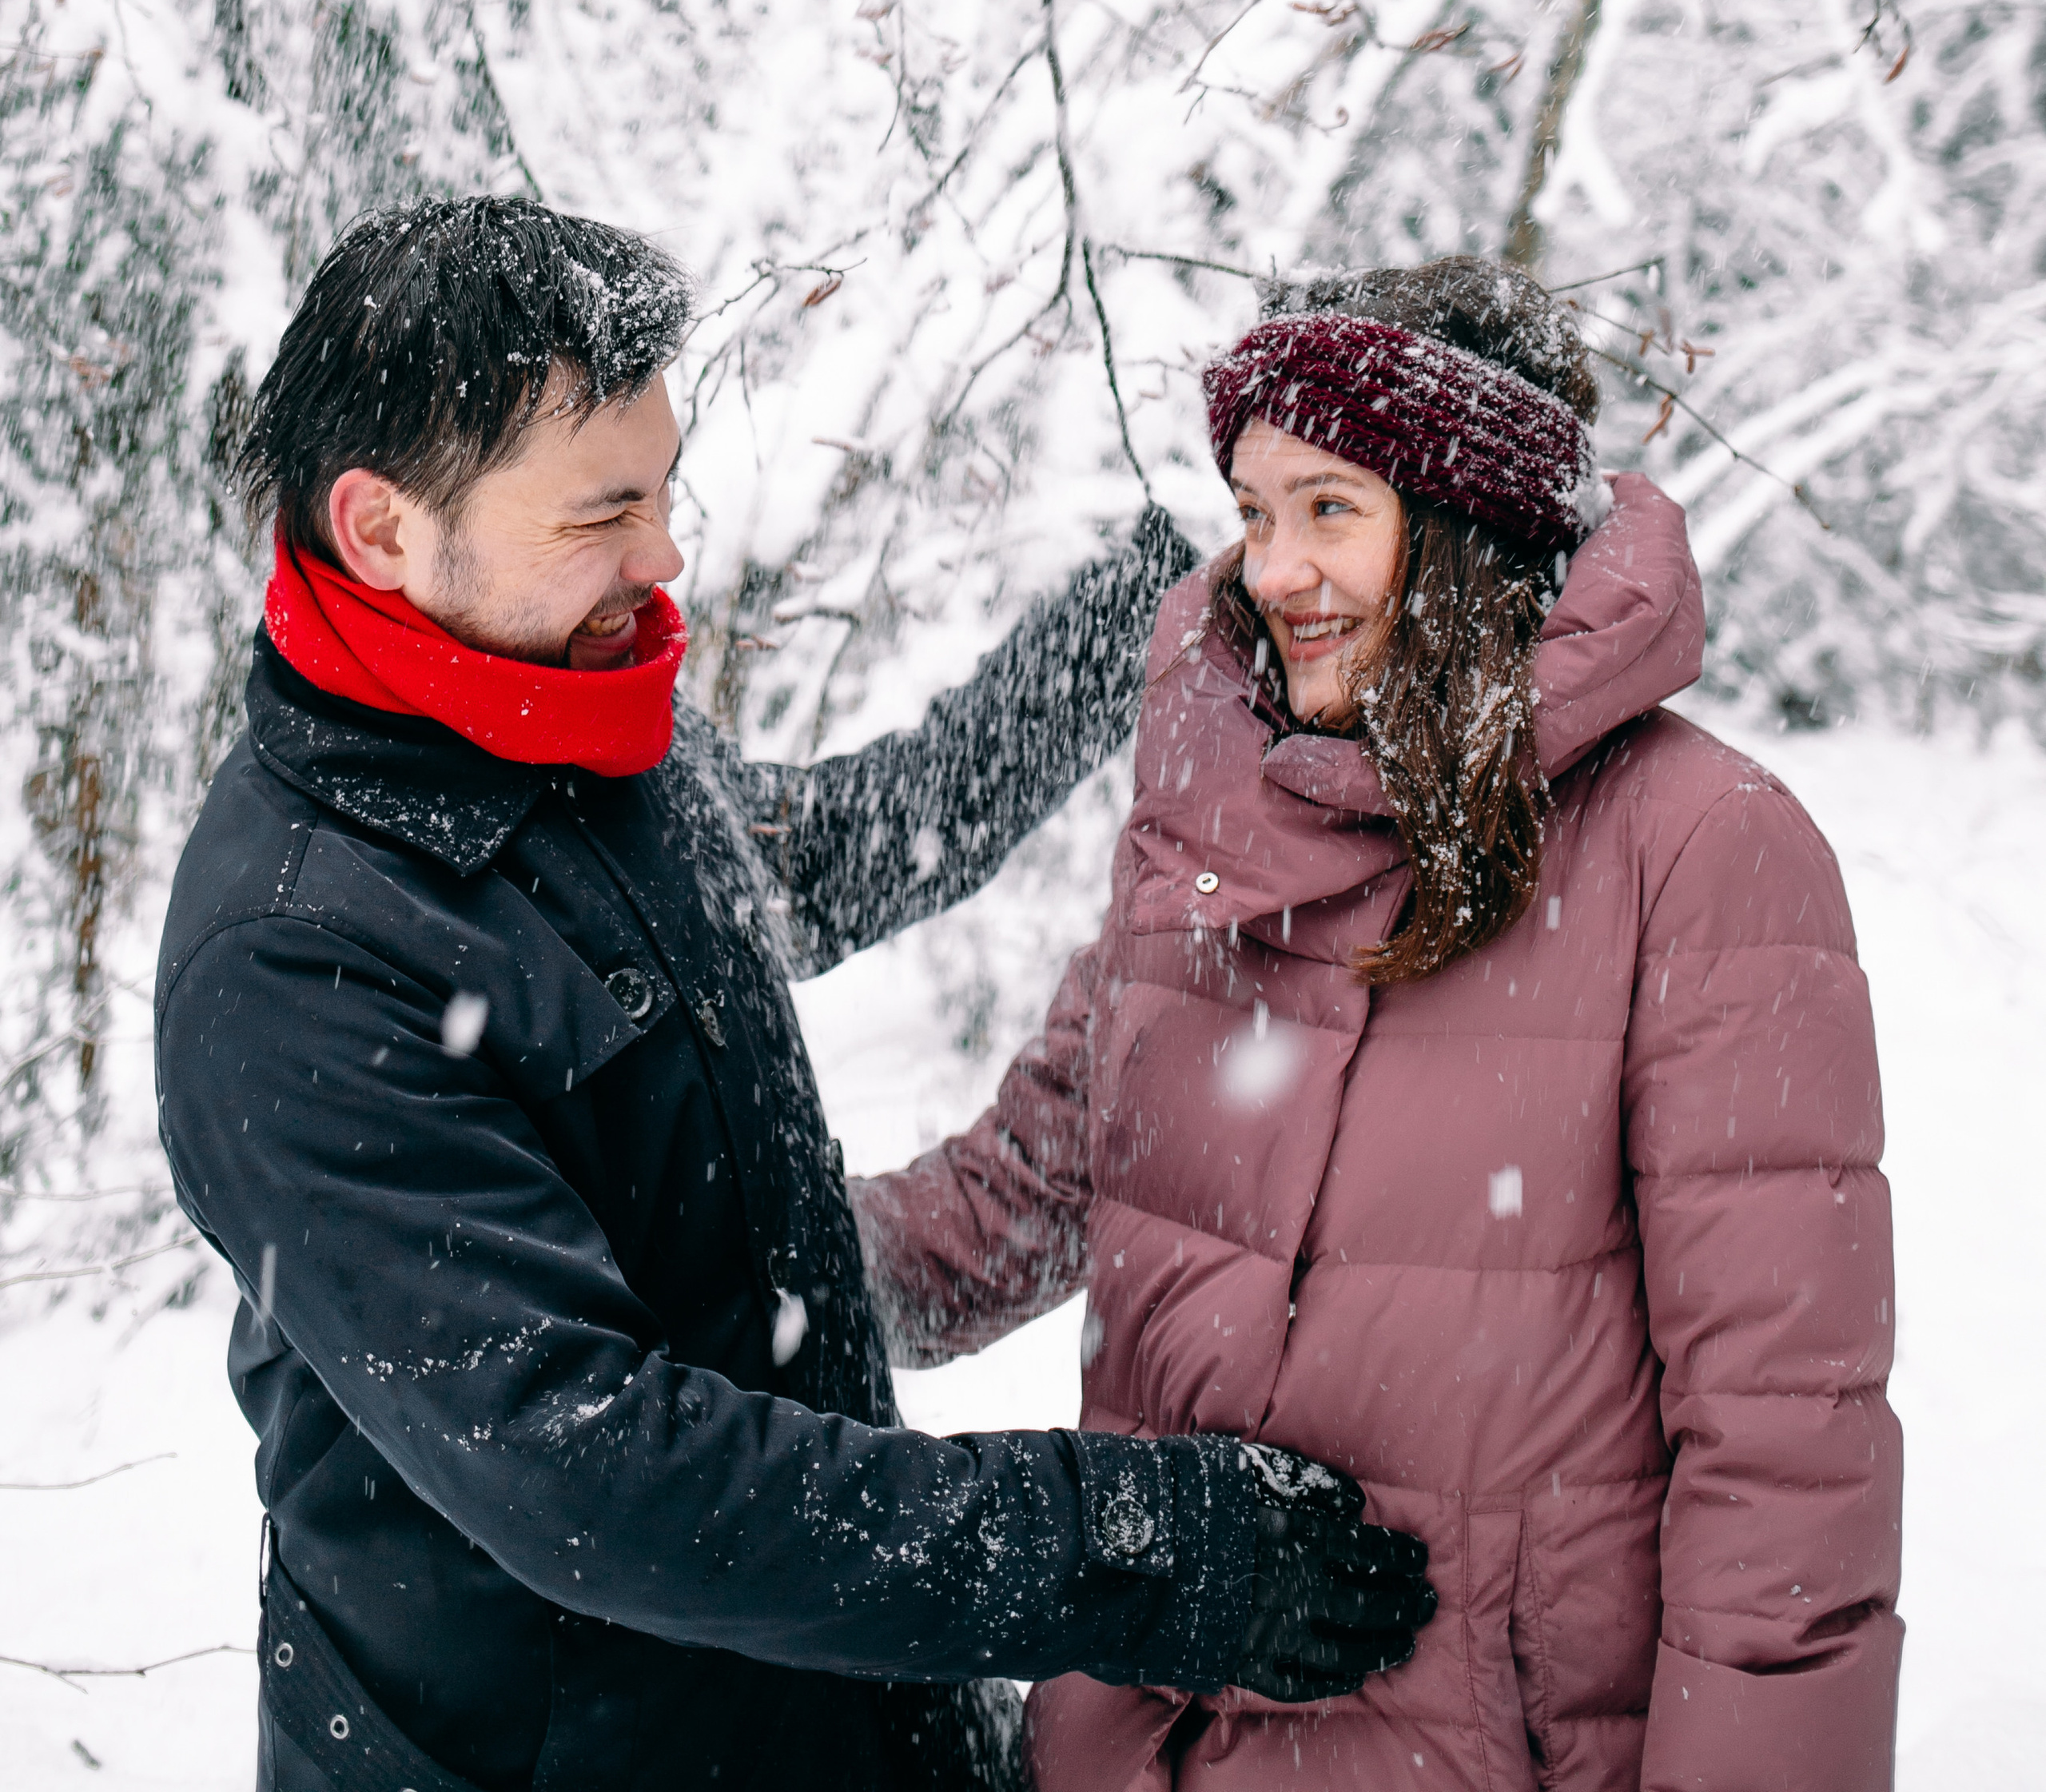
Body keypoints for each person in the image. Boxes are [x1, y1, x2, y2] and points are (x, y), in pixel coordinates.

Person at [153, 198, 1435, 1792]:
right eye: (601, 512)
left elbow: (832, 856)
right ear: (382, 530)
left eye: (663, 487)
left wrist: (1128, 629)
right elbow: (597, 1473)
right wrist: (1134, 1550)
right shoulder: (298, 957)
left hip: (832, 1719)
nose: (663, 553)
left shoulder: (566, 717)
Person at [853, 256, 1904, 1792]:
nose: (1275, 572)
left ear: (1477, 527)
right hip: (1138, 1748)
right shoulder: (1204, 834)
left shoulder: (1701, 850)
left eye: (1332, 509)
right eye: (1258, 512)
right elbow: (1007, 1206)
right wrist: (700, 1245)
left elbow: (1786, 1465)